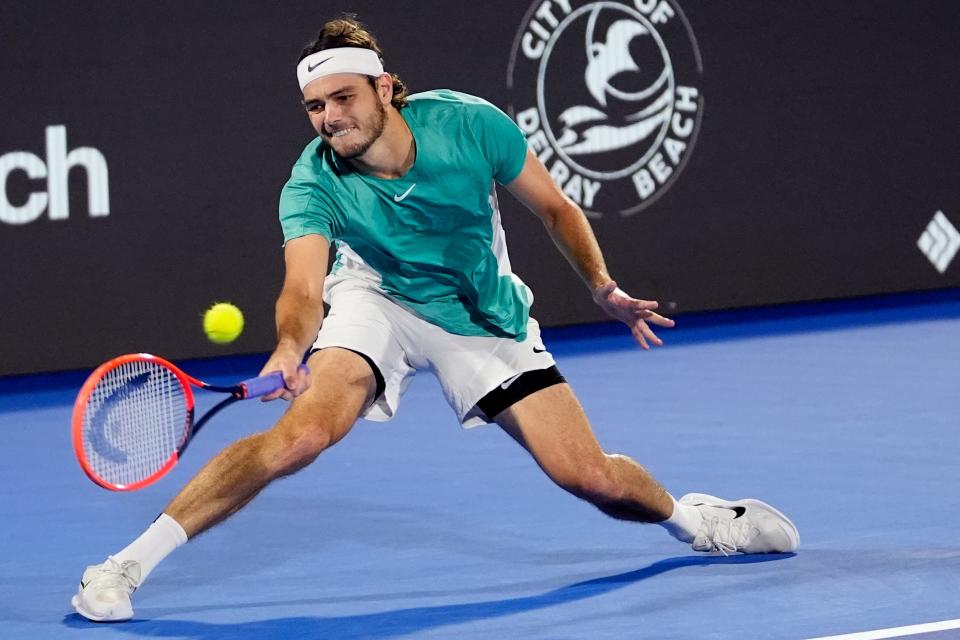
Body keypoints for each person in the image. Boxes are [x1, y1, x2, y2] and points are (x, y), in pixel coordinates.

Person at [71, 16, 799, 622]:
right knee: (302, 436)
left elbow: (555, 208)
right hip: (374, 298)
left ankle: (696, 520)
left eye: (343, 98)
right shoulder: (312, 180)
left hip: (479, 314)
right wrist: (291, 346)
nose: (329, 118)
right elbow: (302, 285)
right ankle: (123, 568)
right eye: (315, 107)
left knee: (590, 478)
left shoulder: (468, 124)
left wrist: (601, 286)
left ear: (385, 87)